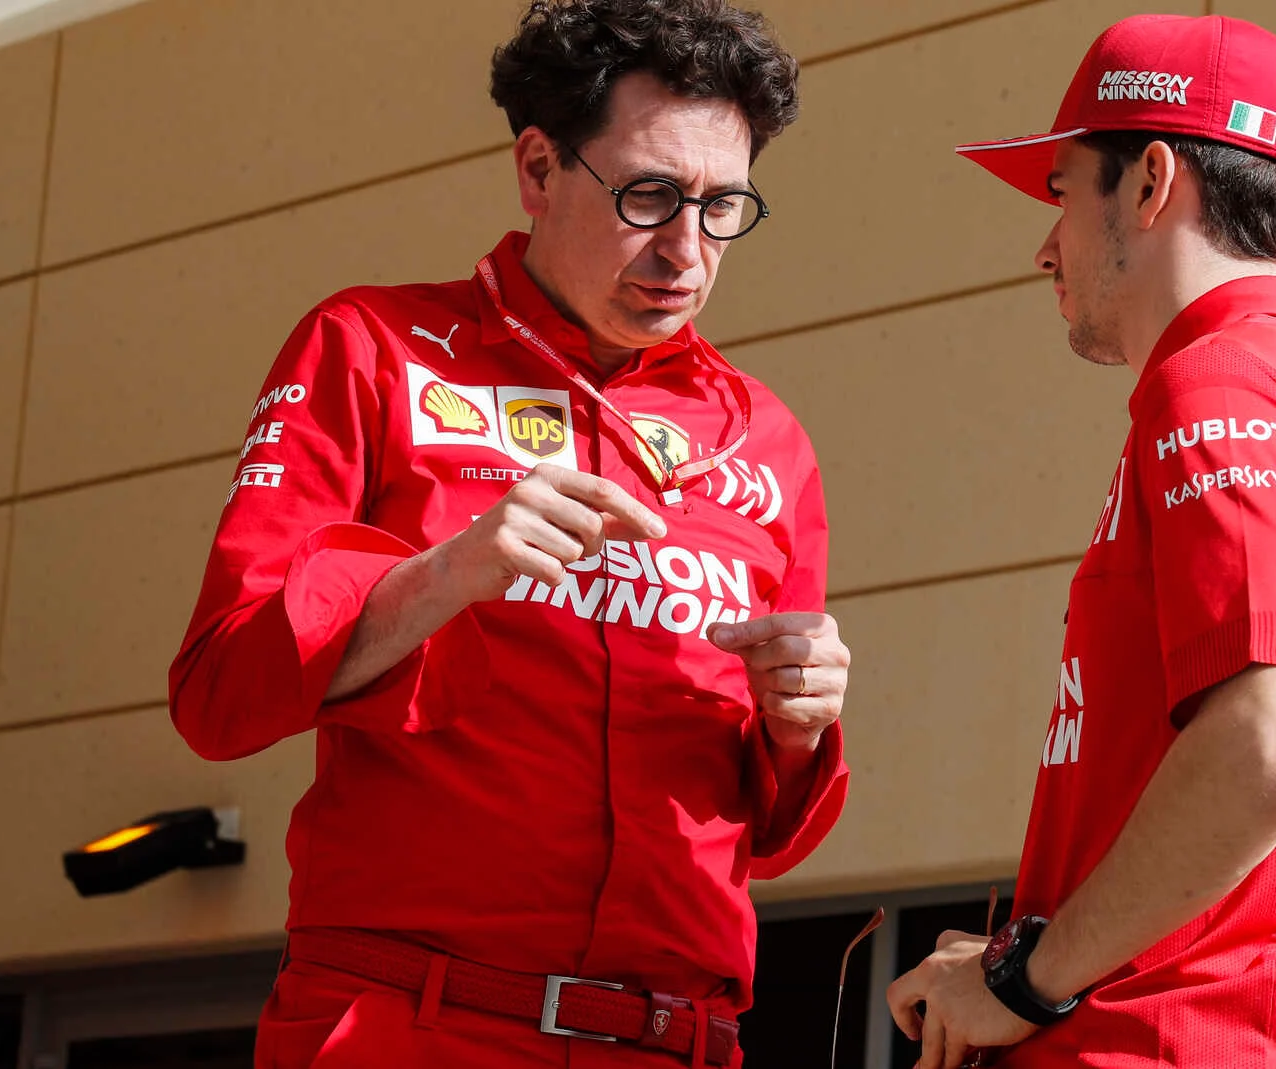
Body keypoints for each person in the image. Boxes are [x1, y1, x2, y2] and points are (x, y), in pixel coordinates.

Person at [168, 2, 850, 1065]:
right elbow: (217, 695)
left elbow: (770, 838)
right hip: (410, 1021)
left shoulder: (768, 438)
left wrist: (800, 728)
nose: (686, 250)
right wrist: (447, 575)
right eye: (650, 194)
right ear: (537, 168)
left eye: (723, 207)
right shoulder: (374, 348)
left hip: (681, 1039)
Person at [887, 15, 1276, 1069]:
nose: (1044, 246)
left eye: (1059, 194)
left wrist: (1022, 979)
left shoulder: (1216, 380)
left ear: (1148, 181)